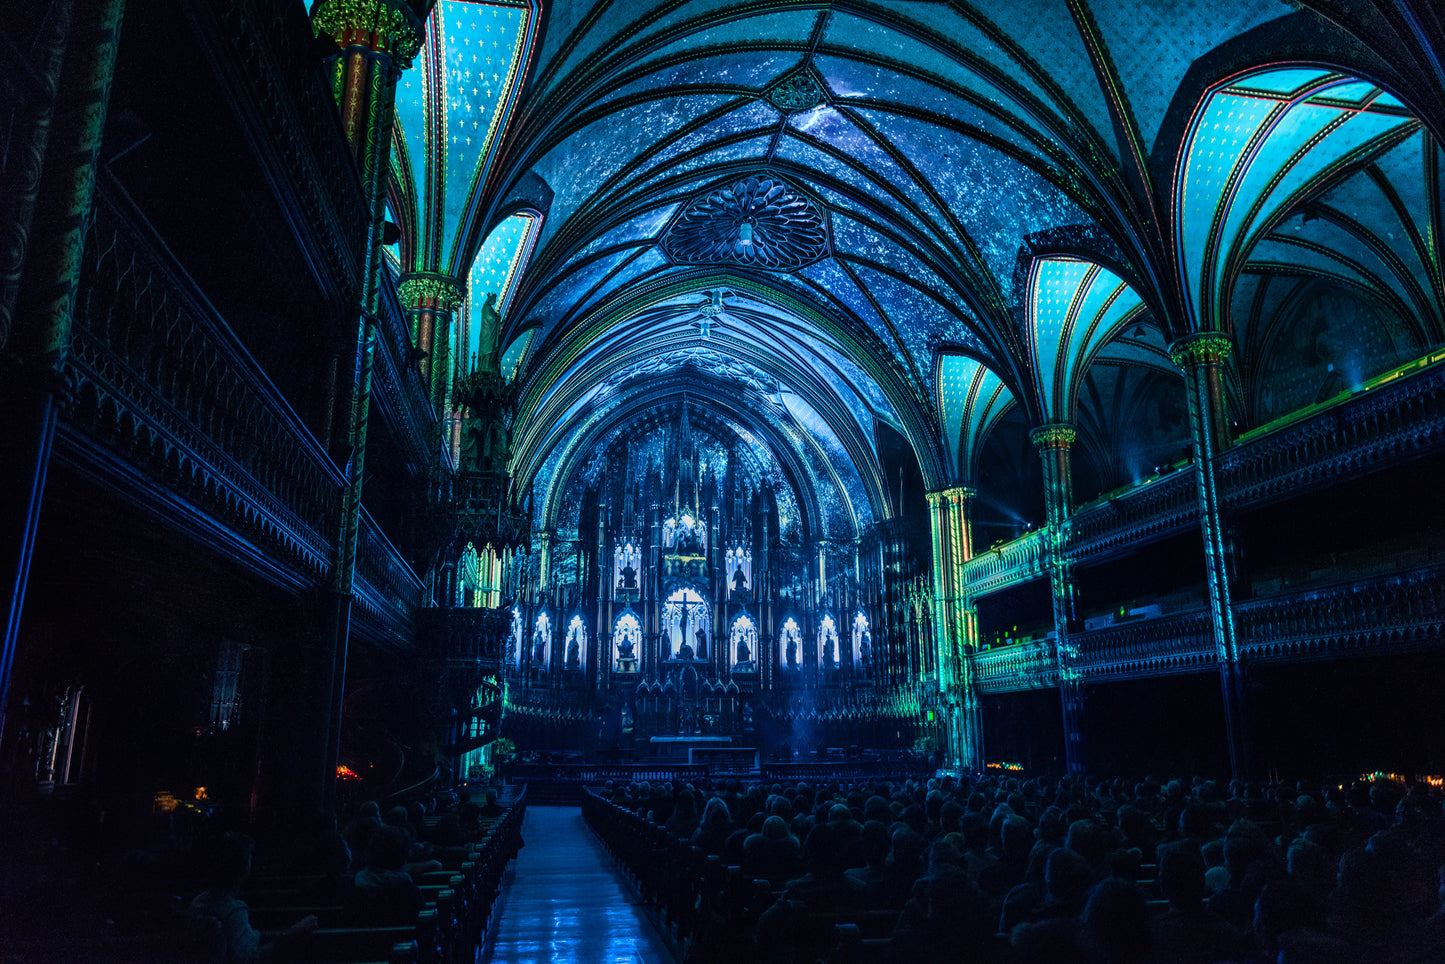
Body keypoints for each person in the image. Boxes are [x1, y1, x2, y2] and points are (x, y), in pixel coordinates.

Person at [189, 832, 318, 963]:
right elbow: (250, 958)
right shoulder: (232, 912)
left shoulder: (198, 903)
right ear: (244, 865)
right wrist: (294, 932)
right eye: (250, 857)